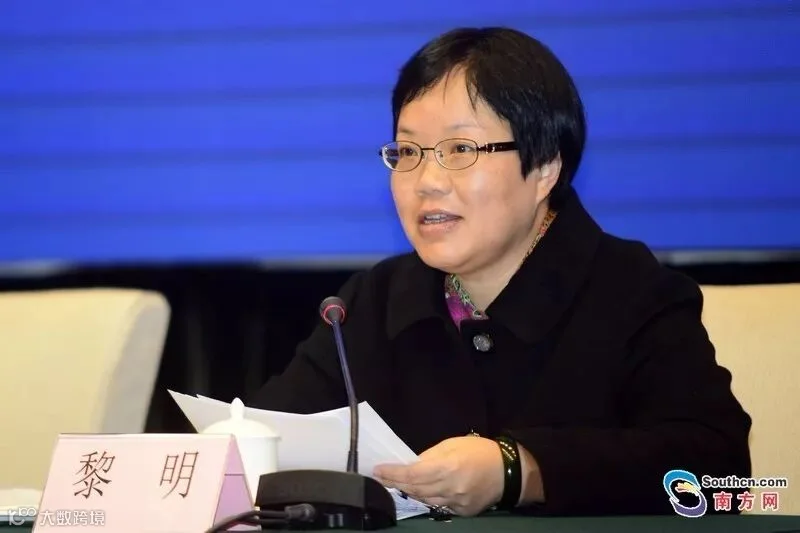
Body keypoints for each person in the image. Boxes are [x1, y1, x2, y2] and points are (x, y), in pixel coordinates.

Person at [250, 26, 751, 517]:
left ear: (545, 168)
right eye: (408, 152)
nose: (426, 181)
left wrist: (521, 471)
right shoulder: (372, 302)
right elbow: (264, 437)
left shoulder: (632, 291)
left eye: (460, 150)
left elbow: (720, 472)